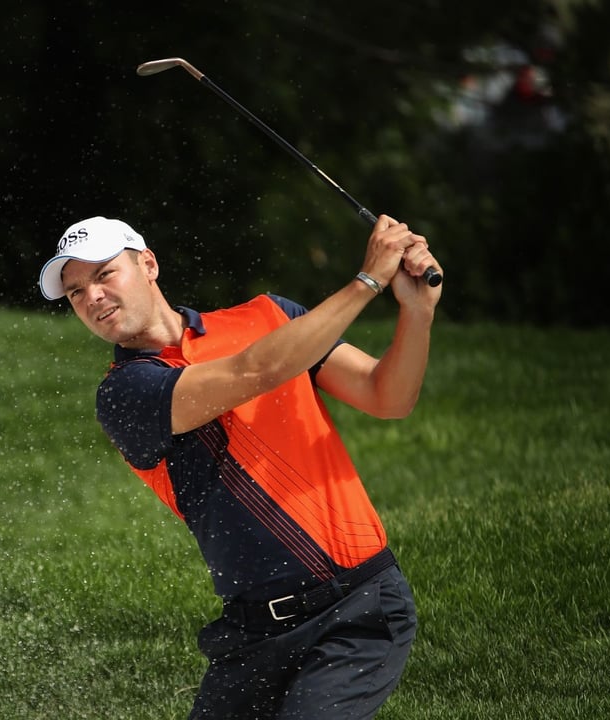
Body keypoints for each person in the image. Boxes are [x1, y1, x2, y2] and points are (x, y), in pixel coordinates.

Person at [38, 215, 442, 719]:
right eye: (75, 293)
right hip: (252, 636)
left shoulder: (270, 315)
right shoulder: (125, 393)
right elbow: (255, 370)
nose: (92, 297)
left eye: (103, 275)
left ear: (148, 264)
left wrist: (418, 313)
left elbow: (388, 396)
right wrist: (367, 281)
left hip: (356, 607)